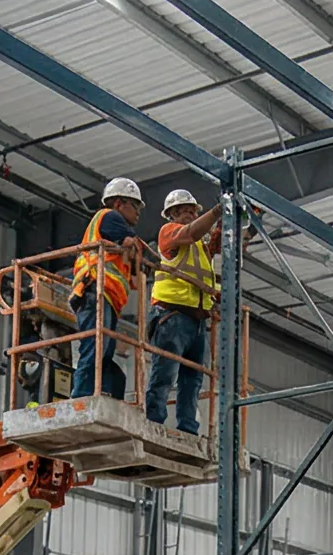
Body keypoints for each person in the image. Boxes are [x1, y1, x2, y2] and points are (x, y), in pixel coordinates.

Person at [145, 188, 220, 435]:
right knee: (165, 373)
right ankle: (154, 421)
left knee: (193, 379)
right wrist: (217, 211)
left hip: (197, 322)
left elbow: (217, 243)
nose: (191, 215)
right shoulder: (169, 233)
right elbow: (191, 232)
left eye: (193, 211)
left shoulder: (201, 247)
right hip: (172, 316)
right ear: (173, 214)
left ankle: (188, 427)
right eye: (185, 211)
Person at [70, 177, 146, 400]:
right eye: (135, 205)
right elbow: (131, 245)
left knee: (102, 352)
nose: (138, 212)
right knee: (94, 349)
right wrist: (134, 247)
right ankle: (82, 397)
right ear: (119, 203)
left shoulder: (113, 227)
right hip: (95, 290)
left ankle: (103, 394)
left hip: (105, 297)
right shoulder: (110, 217)